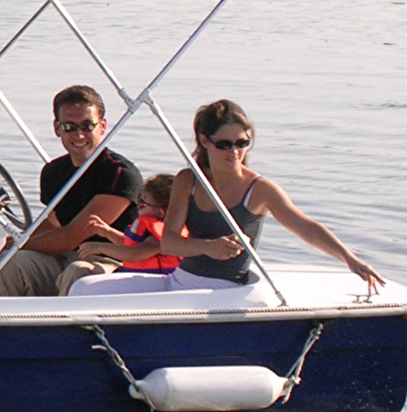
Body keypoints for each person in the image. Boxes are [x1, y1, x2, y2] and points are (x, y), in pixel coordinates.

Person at [160, 99, 384, 293]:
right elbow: (169, 243)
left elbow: (306, 227)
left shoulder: (260, 190)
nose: (234, 153)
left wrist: (349, 258)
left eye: (242, 143)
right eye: (224, 144)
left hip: (225, 292)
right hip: (180, 283)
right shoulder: (187, 180)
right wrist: (209, 247)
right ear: (204, 141)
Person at [0, 85, 142, 296]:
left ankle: (67, 328)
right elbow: (52, 224)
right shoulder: (53, 172)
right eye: (69, 127)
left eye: (87, 126)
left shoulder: (120, 173)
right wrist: (4, 246)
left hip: (113, 259)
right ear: (57, 128)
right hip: (68, 255)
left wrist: (19, 245)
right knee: (9, 264)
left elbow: (72, 236)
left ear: (102, 126)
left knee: (78, 274)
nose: (79, 134)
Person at [78, 173, 181, 273]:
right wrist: (107, 231)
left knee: (85, 283)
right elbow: (130, 245)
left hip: (155, 284)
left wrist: (101, 247)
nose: (138, 204)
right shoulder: (148, 231)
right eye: (139, 199)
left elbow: (134, 254)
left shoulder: (160, 238)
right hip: (140, 278)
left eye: (143, 203)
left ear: (160, 212)